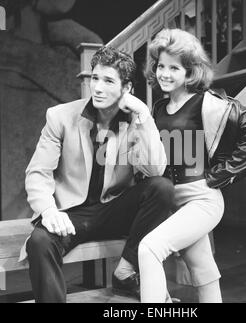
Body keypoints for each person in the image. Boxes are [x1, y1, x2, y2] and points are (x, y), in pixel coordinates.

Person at [19, 45, 174, 303]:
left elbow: (155, 169)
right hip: (71, 214)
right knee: (40, 242)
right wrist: (48, 211)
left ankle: (125, 271)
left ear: (126, 89)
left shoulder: (136, 122)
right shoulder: (59, 117)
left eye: (108, 80)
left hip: (113, 209)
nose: (97, 88)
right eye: (95, 78)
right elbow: (38, 172)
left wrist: (145, 116)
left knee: (162, 188)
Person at [138, 28, 246, 303]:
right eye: (161, 66)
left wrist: (219, 175)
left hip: (202, 198)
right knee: (203, 269)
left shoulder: (206, 103)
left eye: (174, 68)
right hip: (169, 199)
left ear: (190, 72)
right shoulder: (158, 109)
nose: (165, 73)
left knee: (149, 248)